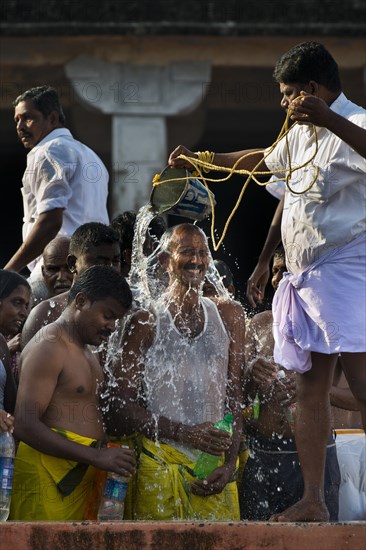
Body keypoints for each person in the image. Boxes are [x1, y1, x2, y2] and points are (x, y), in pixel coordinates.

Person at [169, 41, 366, 522]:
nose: (283, 103)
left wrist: (328, 118)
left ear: (313, 90)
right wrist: (205, 160)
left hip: (348, 267)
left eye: (288, 94)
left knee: (363, 386)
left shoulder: (354, 120)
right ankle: (314, 499)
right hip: (305, 275)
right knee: (310, 390)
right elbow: (264, 161)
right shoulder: (298, 134)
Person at [105, 223, 245, 520]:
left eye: (203, 253)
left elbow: (234, 397)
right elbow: (118, 407)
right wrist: (184, 433)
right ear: (165, 261)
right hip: (161, 465)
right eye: (186, 252)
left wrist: (230, 464)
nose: (197, 260)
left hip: (214, 468)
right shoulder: (145, 322)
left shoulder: (229, 315)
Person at [9, 265, 135, 521]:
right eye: (107, 316)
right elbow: (24, 424)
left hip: (80, 479)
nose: (112, 327)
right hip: (46, 481)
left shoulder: (85, 350)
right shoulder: (50, 344)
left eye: (116, 320)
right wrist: (96, 455)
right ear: (81, 300)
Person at [240, 247, 340, 521]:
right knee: (257, 536)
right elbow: (238, 398)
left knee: (319, 541)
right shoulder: (256, 325)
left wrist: (311, 389)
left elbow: (358, 396)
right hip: (264, 451)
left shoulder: (331, 324)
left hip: (319, 457)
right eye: (275, 271)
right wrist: (251, 376)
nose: (280, 277)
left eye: (287, 270)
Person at [4, 86, 109, 285]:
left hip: (59, 271)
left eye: (27, 117)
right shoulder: (89, 154)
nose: (20, 126)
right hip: (91, 271)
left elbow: (50, 221)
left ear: (52, 118)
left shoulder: (47, 152)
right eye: (16, 120)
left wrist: (9, 271)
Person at [21, 222, 121, 348]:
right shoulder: (44, 314)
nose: (111, 269)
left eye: (116, 261)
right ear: (73, 264)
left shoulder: (129, 315)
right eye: (101, 262)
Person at [0, 270, 30, 431]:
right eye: (17, 302)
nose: (24, 313)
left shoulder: (2, 345)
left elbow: (12, 405)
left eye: (26, 306)